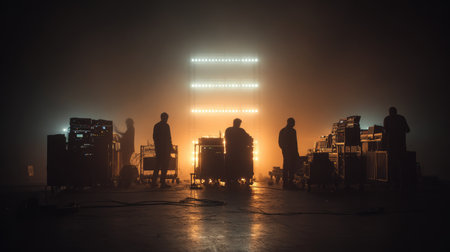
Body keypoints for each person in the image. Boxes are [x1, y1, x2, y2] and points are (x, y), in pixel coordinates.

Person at [383, 107, 410, 189]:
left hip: (391, 146)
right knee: (401, 164)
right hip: (401, 145)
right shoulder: (401, 118)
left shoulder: (387, 119)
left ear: (389, 112)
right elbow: (408, 130)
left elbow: (386, 131)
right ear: (396, 112)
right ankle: (402, 183)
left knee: (392, 165)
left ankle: (393, 183)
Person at [225, 118, 253, 184]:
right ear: (238, 123)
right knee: (239, 165)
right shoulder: (241, 131)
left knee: (231, 166)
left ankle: (230, 179)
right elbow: (248, 138)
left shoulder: (228, 130)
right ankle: (238, 178)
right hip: (239, 152)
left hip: (230, 152)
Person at [152, 112, 174, 188]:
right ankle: (162, 182)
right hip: (165, 149)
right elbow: (169, 138)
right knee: (164, 166)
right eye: (166, 118)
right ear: (164, 118)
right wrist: (170, 147)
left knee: (158, 166)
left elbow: (155, 137)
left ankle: (154, 182)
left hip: (159, 149)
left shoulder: (157, 126)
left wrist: (158, 146)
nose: (167, 119)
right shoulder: (166, 126)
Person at [278, 117, 299, 189]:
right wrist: (296, 152)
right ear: (290, 123)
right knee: (290, 167)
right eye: (293, 123)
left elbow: (280, 142)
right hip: (290, 151)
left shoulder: (283, 131)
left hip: (287, 152)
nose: (294, 124)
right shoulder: (293, 131)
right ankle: (289, 182)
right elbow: (295, 143)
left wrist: (284, 149)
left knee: (287, 166)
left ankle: (286, 183)